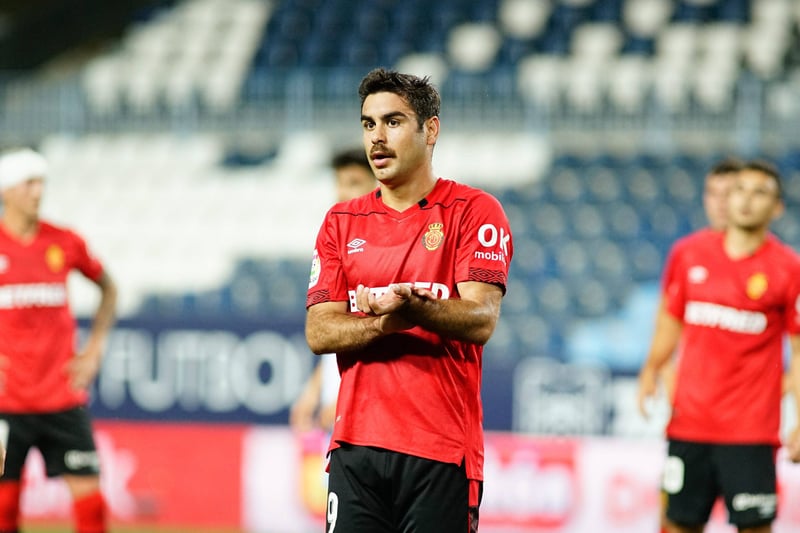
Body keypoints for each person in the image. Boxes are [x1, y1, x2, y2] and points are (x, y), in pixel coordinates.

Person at [305, 68, 513, 533]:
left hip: (441, 451)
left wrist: (412, 307)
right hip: (355, 449)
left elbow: (481, 318)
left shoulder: (474, 212)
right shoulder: (340, 221)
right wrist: (385, 324)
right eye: (368, 124)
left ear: (430, 129)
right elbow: (319, 331)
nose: (376, 137)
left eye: (393, 122)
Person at [637, 160, 800, 533]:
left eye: (760, 192)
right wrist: (651, 368)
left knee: (754, 528)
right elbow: (670, 321)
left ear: (777, 208)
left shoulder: (788, 269)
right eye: (739, 189)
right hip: (689, 425)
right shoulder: (688, 254)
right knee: (676, 524)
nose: (745, 200)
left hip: (751, 433)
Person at [0, 148, 117, 533]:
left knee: (92, 508)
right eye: (29, 184)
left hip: (61, 397)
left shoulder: (64, 241)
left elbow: (109, 288)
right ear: (6, 191)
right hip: (6, 402)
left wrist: (94, 349)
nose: (38, 192)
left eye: (41, 183)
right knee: (3, 509)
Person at [290, 148, 377, 434]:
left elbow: (379, 334)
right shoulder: (339, 242)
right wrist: (313, 390)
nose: (342, 192)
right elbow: (337, 332)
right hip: (338, 410)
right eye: (339, 183)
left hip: (367, 412)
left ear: (378, 184)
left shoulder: (383, 251)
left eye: (353, 183)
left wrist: (344, 398)